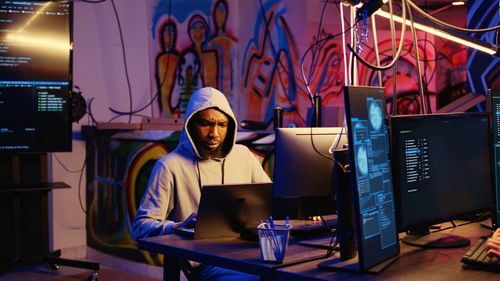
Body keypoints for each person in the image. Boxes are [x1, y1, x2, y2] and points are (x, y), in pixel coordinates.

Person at [132, 87, 271, 281]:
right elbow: (139, 227)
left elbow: (271, 200)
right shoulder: (169, 166)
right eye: (206, 123)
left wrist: (304, 211)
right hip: (206, 263)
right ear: (190, 125)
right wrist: (177, 226)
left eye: (222, 125)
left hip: (249, 252)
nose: (214, 133)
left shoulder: (244, 156)